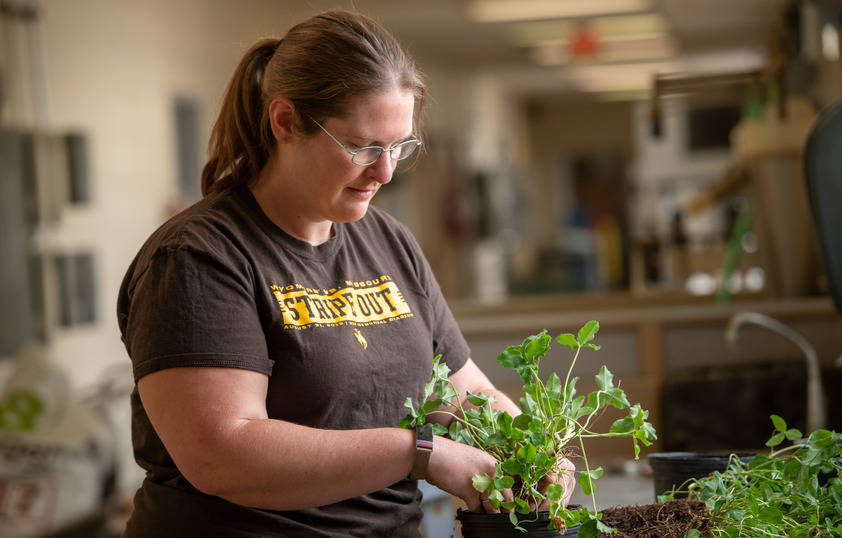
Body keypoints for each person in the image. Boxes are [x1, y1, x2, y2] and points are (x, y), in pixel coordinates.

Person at [117, 9, 573, 537]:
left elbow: (464, 393)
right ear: (285, 122)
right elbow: (225, 455)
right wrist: (419, 453)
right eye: (362, 147)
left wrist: (534, 448)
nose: (385, 172)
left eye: (399, 146)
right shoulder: (198, 258)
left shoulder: (389, 243)